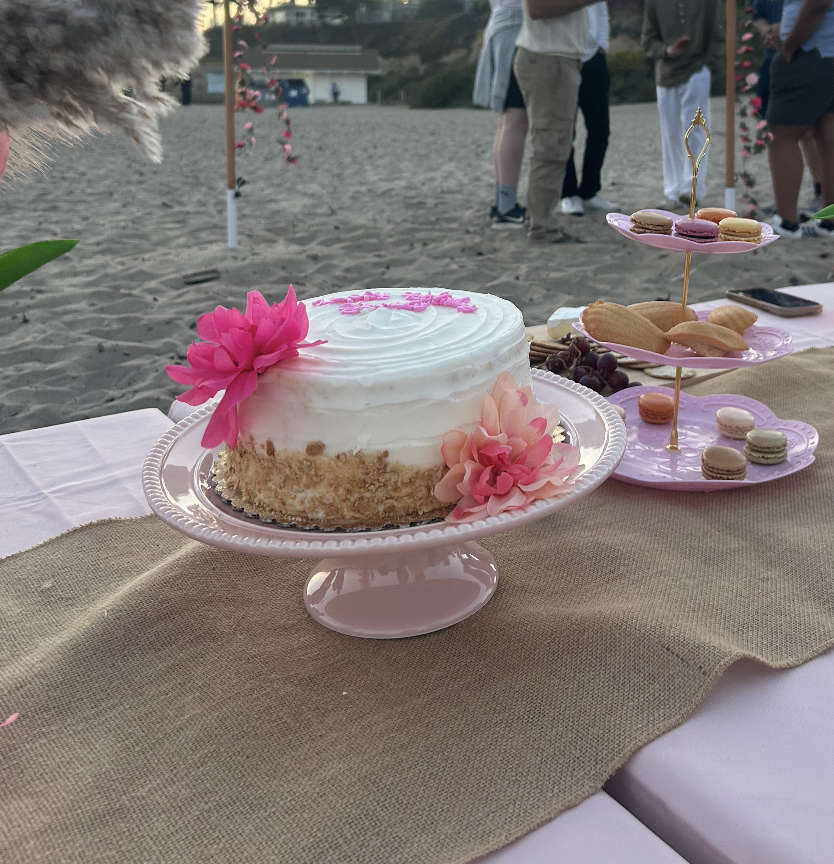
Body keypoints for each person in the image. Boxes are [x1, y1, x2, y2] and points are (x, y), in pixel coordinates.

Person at [512, 0, 601, 240]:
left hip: (555, 58)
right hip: (548, 59)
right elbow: (537, 8)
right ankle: (541, 227)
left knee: (555, 145)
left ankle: (541, 221)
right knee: (551, 145)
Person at [641, 0, 724, 210]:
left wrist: (707, 66)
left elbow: (716, 34)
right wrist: (665, 50)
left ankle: (692, 188)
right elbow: (647, 40)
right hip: (666, 74)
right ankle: (673, 191)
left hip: (697, 69)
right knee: (670, 134)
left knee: (696, 129)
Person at [766, 0, 834, 238]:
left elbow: (819, 3)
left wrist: (790, 45)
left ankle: (787, 222)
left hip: (810, 52)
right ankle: (829, 222)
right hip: (827, 50)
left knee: (782, 135)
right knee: (829, 137)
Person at [754, 0, 825, 217]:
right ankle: (786, 200)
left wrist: (785, 33)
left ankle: (821, 193)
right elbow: (756, 13)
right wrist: (766, 30)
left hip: (806, 51)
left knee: (813, 130)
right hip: (773, 56)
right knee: (777, 129)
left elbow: (818, 6)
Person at [559, 2, 619, 216]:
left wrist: (603, 44)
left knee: (600, 129)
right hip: (564, 56)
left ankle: (589, 191)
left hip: (594, 57)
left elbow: (602, 13)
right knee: (566, 131)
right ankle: (568, 194)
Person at [473, 0, 528, 228]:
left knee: (507, 121)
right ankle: (506, 207)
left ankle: (502, 201)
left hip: (502, 25)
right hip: (514, 28)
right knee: (515, 119)